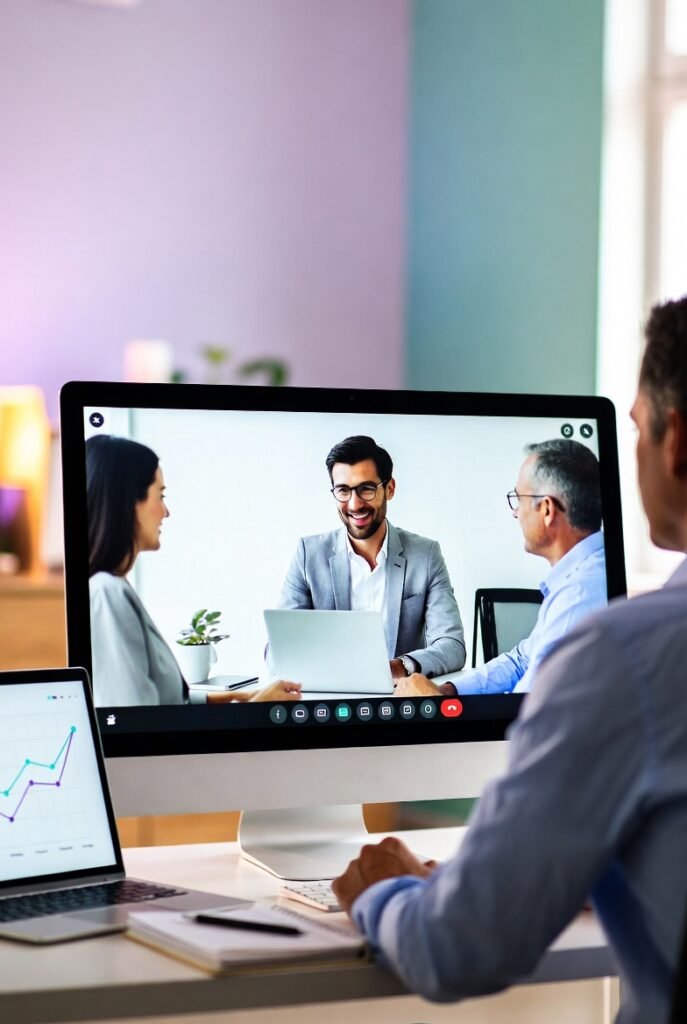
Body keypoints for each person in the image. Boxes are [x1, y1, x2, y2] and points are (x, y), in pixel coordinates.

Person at [332, 295, 687, 1024]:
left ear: (673, 439)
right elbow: (519, 657)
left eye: (637, 430)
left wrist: (383, 888)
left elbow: (456, 948)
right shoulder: (593, 611)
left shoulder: (624, 651)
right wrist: (444, 687)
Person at [87, 434, 301, 707]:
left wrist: (234, 696)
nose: (166, 512)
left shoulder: (114, 587)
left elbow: (167, 703)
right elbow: (143, 726)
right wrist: (252, 711)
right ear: (128, 501)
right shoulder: (107, 593)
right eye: (160, 496)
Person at [397, 438, 606, 697]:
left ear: (547, 509)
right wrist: (450, 691)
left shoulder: (581, 597)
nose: (515, 512)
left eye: (518, 499)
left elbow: (529, 717)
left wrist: (437, 704)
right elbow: (522, 661)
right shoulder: (578, 579)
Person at [278, 435, 465, 679]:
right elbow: (277, 648)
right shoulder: (308, 554)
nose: (354, 504)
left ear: (389, 489)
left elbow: (452, 645)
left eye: (366, 489)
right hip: (329, 703)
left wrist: (398, 668)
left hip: (400, 702)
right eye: (343, 491)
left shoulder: (425, 555)